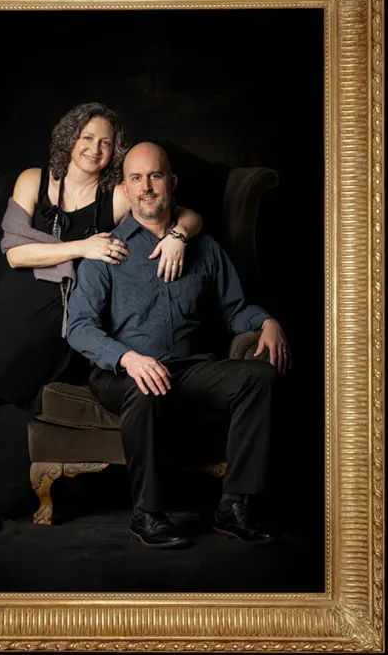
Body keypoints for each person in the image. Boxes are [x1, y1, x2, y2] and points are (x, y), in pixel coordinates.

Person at [0, 104, 204, 536]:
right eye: (87, 137)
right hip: (14, 296)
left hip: (63, 307)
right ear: (68, 138)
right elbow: (14, 253)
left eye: (106, 142)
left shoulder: (119, 196)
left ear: (114, 152)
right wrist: (83, 246)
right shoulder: (34, 180)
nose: (94, 148)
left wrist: (180, 237)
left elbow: (182, 213)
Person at [66, 141, 291, 549]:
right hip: (123, 372)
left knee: (259, 375)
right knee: (145, 384)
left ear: (171, 182)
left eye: (154, 176)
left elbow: (234, 307)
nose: (146, 187)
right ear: (126, 189)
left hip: (190, 367)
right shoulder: (106, 251)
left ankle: (234, 506)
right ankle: (147, 514)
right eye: (136, 178)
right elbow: (79, 327)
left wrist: (266, 321)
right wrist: (128, 358)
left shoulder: (204, 248)